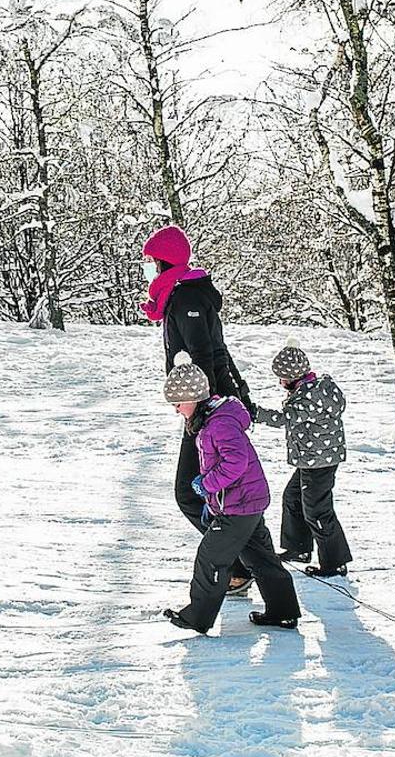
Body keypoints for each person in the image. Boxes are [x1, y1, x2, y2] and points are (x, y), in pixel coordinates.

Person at [140, 225, 256, 595]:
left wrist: (204, 411)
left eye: (151, 262)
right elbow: (216, 350)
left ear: (164, 262)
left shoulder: (186, 298)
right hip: (207, 406)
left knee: (189, 493)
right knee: (225, 494)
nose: (148, 269)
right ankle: (247, 564)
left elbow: (206, 354)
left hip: (209, 410)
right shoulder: (182, 293)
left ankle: (240, 566)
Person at [160, 352, 302, 634]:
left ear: (194, 398)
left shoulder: (219, 424)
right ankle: (283, 612)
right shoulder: (213, 420)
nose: (176, 410)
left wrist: (207, 484)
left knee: (211, 556)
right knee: (261, 558)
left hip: (240, 505)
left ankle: (197, 617)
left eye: (178, 403)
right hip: (247, 501)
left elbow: (235, 462)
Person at [252, 338, 353, 577]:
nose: (280, 383)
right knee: (293, 497)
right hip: (314, 458)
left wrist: (254, 412)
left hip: (319, 462)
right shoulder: (315, 388)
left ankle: (335, 562)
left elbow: (284, 419)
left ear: (293, 376)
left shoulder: (309, 396)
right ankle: (298, 548)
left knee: (317, 510)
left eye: (282, 378)